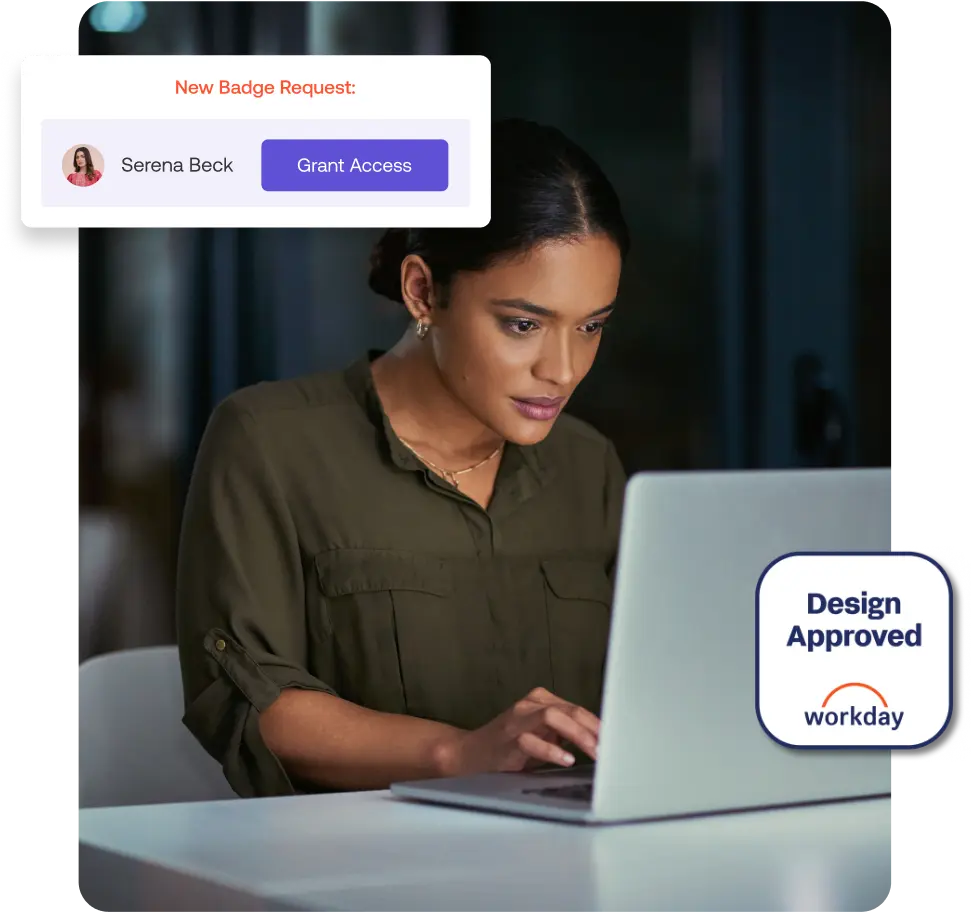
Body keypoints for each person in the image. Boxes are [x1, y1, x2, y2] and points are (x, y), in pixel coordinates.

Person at [176, 118, 631, 798]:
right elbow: (250, 705)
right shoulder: (269, 443)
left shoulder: (588, 466)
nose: (562, 370)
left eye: (591, 327)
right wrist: (458, 752)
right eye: (523, 324)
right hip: (351, 875)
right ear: (422, 292)